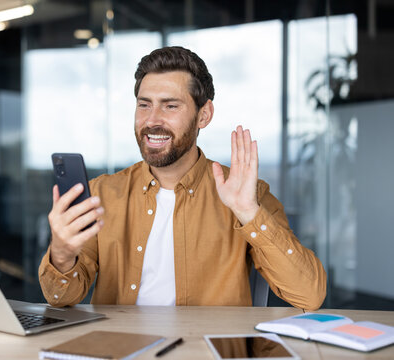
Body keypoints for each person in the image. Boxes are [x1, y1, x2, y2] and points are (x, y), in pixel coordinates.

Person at [38, 46, 326, 309]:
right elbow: (61, 298)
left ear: (204, 115)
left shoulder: (247, 194)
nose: (152, 120)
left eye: (170, 105)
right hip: (120, 349)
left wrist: (248, 213)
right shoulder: (102, 194)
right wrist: (62, 254)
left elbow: (309, 295)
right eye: (144, 104)